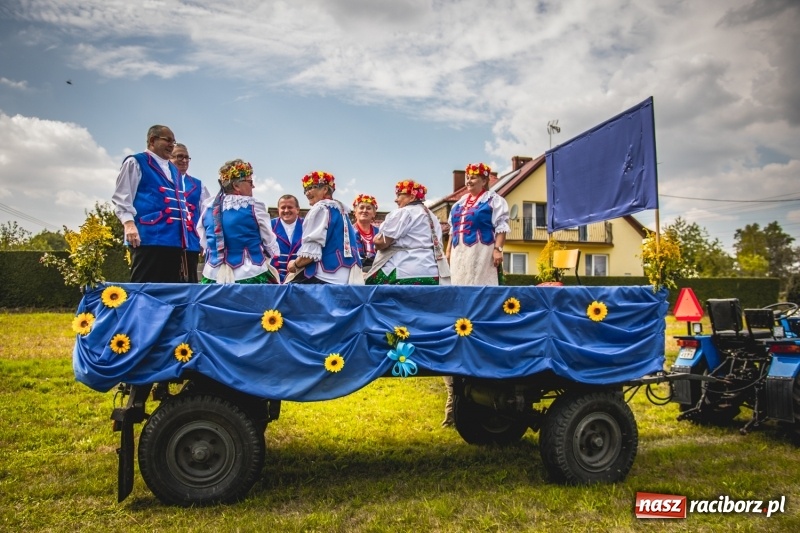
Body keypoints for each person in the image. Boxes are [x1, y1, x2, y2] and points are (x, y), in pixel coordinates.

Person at [441, 162, 510, 426]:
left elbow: (501, 227)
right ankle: (462, 322)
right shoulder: (459, 205)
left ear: (484, 180)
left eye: (473, 178)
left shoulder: (494, 201)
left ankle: (482, 323)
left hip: (482, 249)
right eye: (467, 178)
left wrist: (498, 249)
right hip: (461, 251)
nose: (469, 181)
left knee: (480, 282)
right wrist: (448, 251)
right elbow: (452, 231)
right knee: (459, 283)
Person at [112, 124, 195, 282]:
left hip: (174, 240)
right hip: (148, 238)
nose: (172, 145)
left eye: (174, 141)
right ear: (152, 140)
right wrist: (129, 224)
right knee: (145, 288)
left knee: (172, 291)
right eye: (167, 140)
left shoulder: (174, 170)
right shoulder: (136, 162)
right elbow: (122, 197)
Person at [197, 159, 280, 284]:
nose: (253, 186)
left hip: (213, 275)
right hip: (249, 273)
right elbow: (269, 241)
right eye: (250, 182)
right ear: (236, 186)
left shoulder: (208, 208)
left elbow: (204, 241)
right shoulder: (253, 206)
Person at [365, 180, 450, 286]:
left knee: (369, 285)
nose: (396, 200)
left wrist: (376, 240)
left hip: (404, 272)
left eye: (399, 195)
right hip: (432, 274)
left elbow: (382, 243)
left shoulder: (404, 212)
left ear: (412, 197)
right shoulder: (432, 217)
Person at [286, 171, 362, 284]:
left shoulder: (320, 209)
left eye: (312, 187)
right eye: (305, 190)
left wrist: (295, 264)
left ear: (325, 189)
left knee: (284, 296)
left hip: (325, 275)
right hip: (347, 277)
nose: (307, 193)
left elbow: (310, 255)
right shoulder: (341, 211)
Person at [170, 143, 210, 282]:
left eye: (187, 157)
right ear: (169, 157)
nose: (184, 160)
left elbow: (207, 215)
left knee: (189, 281)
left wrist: (203, 240)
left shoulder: (198, 185)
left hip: (191, 241)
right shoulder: (163, 180)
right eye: (180, 156)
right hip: (166, 240)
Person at [271, 194, 303, 283]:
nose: (286, 210)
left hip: (299, 278)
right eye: (283, 207)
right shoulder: (269, 226)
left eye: (290, 207)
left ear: (297, 209)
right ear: (278, 210)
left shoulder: (307, 226)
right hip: (274, 278)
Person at [352, 193, 380, 272]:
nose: (364, 211)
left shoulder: (380, 232)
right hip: (355, 268)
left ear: (374, 213)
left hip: (376, 267)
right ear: (355, 212)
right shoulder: (348, 232)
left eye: (368, 208)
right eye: (361, 208)